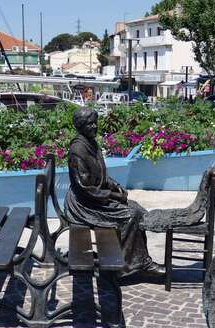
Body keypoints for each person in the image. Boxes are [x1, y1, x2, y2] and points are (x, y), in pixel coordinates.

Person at [64, 108, 165, 276]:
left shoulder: (91, 143)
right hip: (84, 204)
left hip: (94, 198)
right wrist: (113, 195)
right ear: (81, 126)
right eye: (90, 124)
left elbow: (100, 175)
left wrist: (115, 185)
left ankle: (140, 259)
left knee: (138, 209)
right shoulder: (78, 151)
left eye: (95, 122)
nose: (95, 126)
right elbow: (86, 188)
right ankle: (125, 267)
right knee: (130, 215)